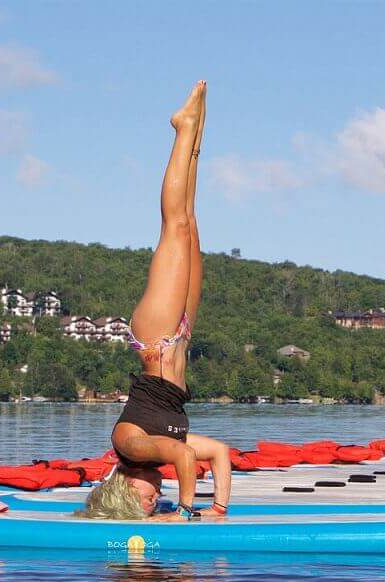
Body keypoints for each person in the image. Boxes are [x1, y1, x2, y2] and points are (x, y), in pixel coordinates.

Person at [80, 81, 231, 522]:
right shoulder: (159, 453)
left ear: (127, 490)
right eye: (157, 504)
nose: (155, 498)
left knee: (175, 228)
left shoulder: (131, 448)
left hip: (158, 335)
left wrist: (184, 512)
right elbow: (218, 454)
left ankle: (183, 128)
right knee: (192, 224)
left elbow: (186, 461)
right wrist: (218, 508)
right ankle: (196, 138)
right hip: (180, 335)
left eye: (148, 502)